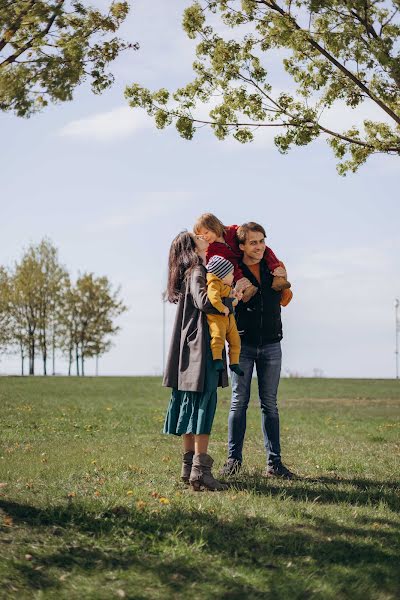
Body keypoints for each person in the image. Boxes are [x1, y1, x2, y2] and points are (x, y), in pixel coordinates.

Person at [220, 222, 295, 479]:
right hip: (243, 345)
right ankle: (233, 461)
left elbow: (285, 298)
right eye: (253, 242)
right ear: (241, 246)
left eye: (262, 241)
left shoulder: (273, 268)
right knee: (238, 402)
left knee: (270, 404)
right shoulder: (232, 271)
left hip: (272, 343)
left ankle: (274, 464)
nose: (259, 246)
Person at [162, 231, 231, 491]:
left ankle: (188, 467)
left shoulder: (189, 272)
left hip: (187, 347)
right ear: (193, 246)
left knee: (190, 404)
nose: (204, 236)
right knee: (204, 402)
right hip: (201, 347)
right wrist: (229, 300)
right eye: (197, 236)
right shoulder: (198, 270)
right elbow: (205, 302)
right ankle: (200, 473)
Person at [193, 213, 291, 294]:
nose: (204, 237)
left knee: (263, 248)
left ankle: (278, 276)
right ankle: (247, 288)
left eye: (206, 233)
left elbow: (246, 234)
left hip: (247, 255)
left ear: (213, 226)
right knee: (230, 267)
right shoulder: (211, 250)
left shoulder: (232, 231)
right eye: (201, 235)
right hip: (235, 264)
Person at [205, 255, 244, 375]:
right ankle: (217, 360)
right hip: (217, 318)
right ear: (222, 275)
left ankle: (234, 363)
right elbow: (213, 298)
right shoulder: (214, 284)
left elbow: (233, 301)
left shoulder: (228, 287)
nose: (233, 276)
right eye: (231, 274)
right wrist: (222, 308)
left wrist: (237, 297)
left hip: (229, 318)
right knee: (218, 336)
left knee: (235, 340)